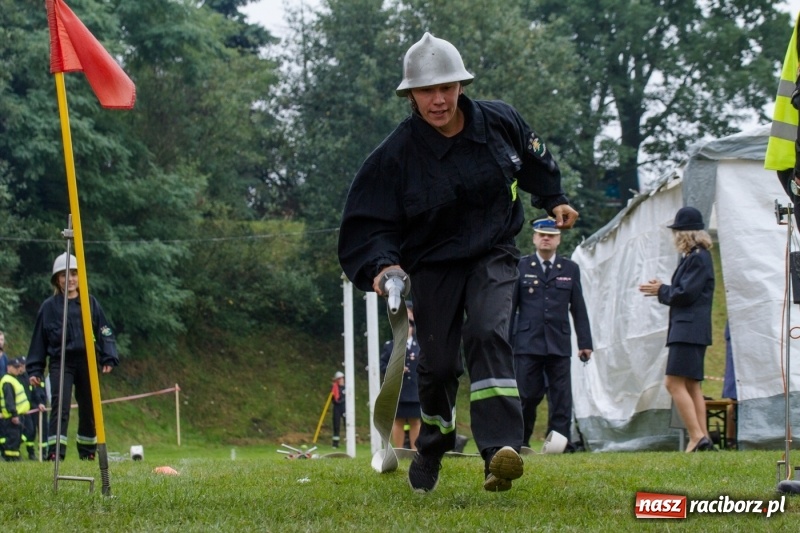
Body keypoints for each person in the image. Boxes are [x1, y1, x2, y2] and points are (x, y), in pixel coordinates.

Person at [338, 32, 579, 493]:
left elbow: (533, 159)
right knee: (439, 365)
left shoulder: (500, 120)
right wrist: (385, 267)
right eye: (427, 91)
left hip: (493, 251)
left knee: (489, 331)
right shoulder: (395, 156)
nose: (438, 99)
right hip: (431, 264)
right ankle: (433, 443)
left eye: (446, 88)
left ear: (461, 86)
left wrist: (554, 197)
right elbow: (368, 224)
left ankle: (499, 451)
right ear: (410, 95)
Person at [26, 253, 119, 461]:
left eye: (74, 274)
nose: (70, 279)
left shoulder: (90, 303)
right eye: (64, 274)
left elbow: (104, 330)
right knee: (60, 405)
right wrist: (35, 370)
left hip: (87, 360)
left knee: (89, 405)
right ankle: (55, 453)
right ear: (57, 279)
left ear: (80, 277)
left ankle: (87, 452)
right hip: (61, 362)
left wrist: (108, 356)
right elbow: (38, 341)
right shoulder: (48, 307)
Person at [511, 217, 593, 451]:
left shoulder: (570, 269)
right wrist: (506, 344)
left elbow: (579, 307)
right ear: (535, 238)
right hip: (527, 344)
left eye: (551, 235)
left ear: (558, 239)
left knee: (561, 399)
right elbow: (510, 308)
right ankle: (520, 442)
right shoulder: (521, 266)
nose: (546, 238)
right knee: (526, 396)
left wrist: (585, 343)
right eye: (541, 234)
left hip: (558, 343)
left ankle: (559, 444)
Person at [638, 206, 715, 453]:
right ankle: (703, 439)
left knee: (672, 383)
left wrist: (661, 289)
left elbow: (685, 294)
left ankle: (696, 437)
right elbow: (685, 291)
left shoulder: (698, 257)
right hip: (693, 330)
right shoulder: (694, 258)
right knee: (692, 385)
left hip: (688, 330)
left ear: (683, 234)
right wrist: (662, 288)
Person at [379, 301, 421, 450]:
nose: (407, 328)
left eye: (410, 324)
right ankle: (399, 450)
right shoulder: (390, 345)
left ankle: (415, 451)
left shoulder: (420, 346)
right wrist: (394, 369)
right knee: (398, 421)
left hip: (415, 390)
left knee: (416, 421)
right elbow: (382, 365)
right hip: (398, 390)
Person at [0, 357, 30, 461]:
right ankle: (11, 459)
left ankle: (15, 457)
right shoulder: (8, 381)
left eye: (18, 367)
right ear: (9, 368)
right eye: (15, 367)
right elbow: (10, 400)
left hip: (17, 415)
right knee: (12, 439)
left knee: (16, 438)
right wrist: (14, 415)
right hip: (12, 417)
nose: (18, 369)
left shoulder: (13, 380)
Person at [330, 371, 345, 448]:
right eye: (339, 378)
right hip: (337, 408)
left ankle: (349, 442)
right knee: (336, 425)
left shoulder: (346, 387)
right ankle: (335, 444)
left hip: (345, 408)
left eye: (342, 378)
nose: (341, 380)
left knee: (347, 424)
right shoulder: (335, 387)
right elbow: (333, 399)